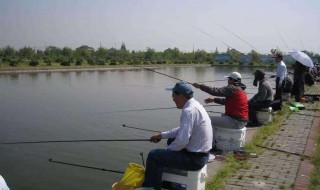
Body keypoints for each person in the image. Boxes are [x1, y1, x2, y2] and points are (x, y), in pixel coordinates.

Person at [141, 81, 213, 190]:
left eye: (173, 96)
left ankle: (151, 187)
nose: (172, 99)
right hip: (202, 155)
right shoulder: (196, 105)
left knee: (154, 155)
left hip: (195, 160)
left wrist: (167, 151)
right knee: (170, 141)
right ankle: (169, 184)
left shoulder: (188, 111)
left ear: (181, 96)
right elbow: (181, 130)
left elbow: (182, 141)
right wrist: (161, 135)